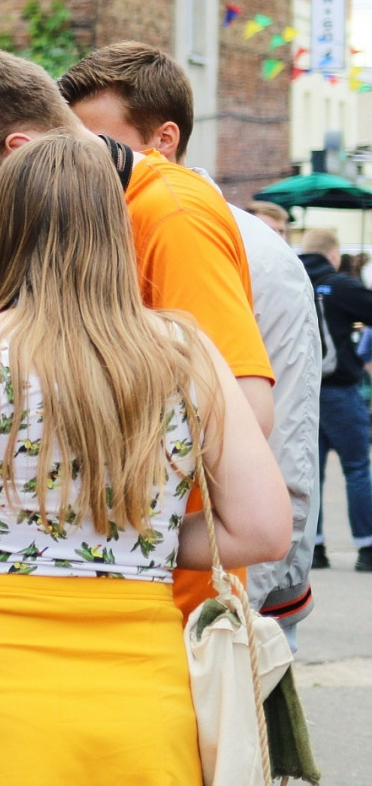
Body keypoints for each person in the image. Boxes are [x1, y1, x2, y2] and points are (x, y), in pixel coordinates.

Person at [0, 134, 290, 786]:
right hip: (139, 681)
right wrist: (136, 541)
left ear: (4, 232)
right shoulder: (188, 353)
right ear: (114, 225)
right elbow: (263, 529)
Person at [0, 47, 275, 621]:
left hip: (168, 599)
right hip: (135, 590)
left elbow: (246, 408)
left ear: (20, 152)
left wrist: (90, 541)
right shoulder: (111, 212)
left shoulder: (171, 216)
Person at [59, 41, 320, 643]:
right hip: (167, 557)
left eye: (97, 141)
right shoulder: (125, 222)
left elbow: (278, 424)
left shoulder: (241, 246)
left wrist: (265, 591)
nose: (81, 161)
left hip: (219, 571)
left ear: (163, 141)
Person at [297, 227, 372, 572]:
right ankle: (366, 548)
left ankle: (315, 548)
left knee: (310, 474)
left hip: (301, 393)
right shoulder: (340, 285)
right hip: (340, 390)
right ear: (334, 254)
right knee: (357, 468)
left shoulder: (289, 277)